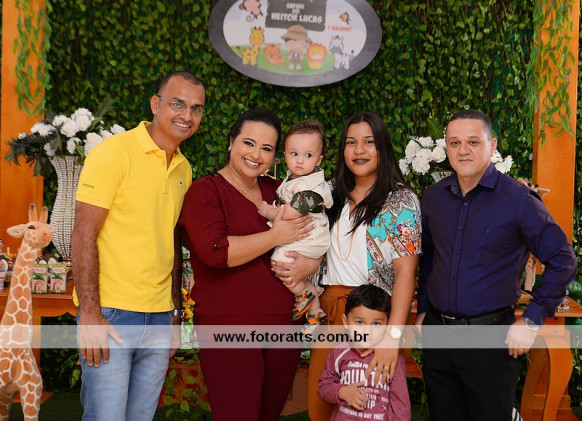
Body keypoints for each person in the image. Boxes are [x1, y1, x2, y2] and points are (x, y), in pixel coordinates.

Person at [416, 109, 578, 421]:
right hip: (439, 335)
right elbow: (430, 256)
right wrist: (423, 308)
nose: (463, 150)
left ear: (492, 146)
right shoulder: (434, 197)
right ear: (447, 148)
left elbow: (563, 260)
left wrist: (531, 320)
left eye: (473, 142)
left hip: (490, 339)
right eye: (455, 142)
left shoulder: (519, 200)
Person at [71, 71, 206, 420]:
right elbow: (83, 234)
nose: (187, 115)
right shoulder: (113, 153)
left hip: (159, 317)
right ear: (155, 104)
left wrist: (175, 314)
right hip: (110, 314)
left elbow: (172, 240)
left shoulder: (184, 168)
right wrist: (91, 315)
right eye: (178, 104)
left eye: (196, 108)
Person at [271, 111, 421, 421]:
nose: (359, 150)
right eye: (351, 142)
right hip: (333, 313)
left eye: (368, 142)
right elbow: (310, 239)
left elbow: (406, 274)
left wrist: (391, 337)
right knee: (322, 404)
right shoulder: (328, 194)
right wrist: (307, 264)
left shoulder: (400, 201)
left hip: (374, 318)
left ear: (382, 147)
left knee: (370, 408)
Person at [178, 108, 314, 421]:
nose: (255, 155)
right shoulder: (205, 191)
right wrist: (275, 235)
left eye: (266, 148)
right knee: (237, 413)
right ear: (231, 142)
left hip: (284, 324)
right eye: (248, 143)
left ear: (275, 156)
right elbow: (215, 252)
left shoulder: (279, 191)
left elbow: (311, 233)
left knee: (269, 413)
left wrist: (309, 264)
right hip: (230, 325)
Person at [258, 119, 332, 333]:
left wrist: (267, 211)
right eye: (294, 154)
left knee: (280, 263)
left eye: (308, 155)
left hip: (310, 238)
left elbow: (290, 213)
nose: (300, 160)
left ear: (319, 159)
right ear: (285, 155)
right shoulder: (295, 178)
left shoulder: (312, 187)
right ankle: (315, 312)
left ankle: (303, 294)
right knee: (292, 271)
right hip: (307, 238)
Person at [317, 285, 411, 421]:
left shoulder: (391, 358)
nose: (367, 331)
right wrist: (341, 391)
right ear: (345, 321)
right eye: (360, 322)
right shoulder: (339, 353)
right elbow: (323, 387)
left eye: (376, 324)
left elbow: (401, 405)